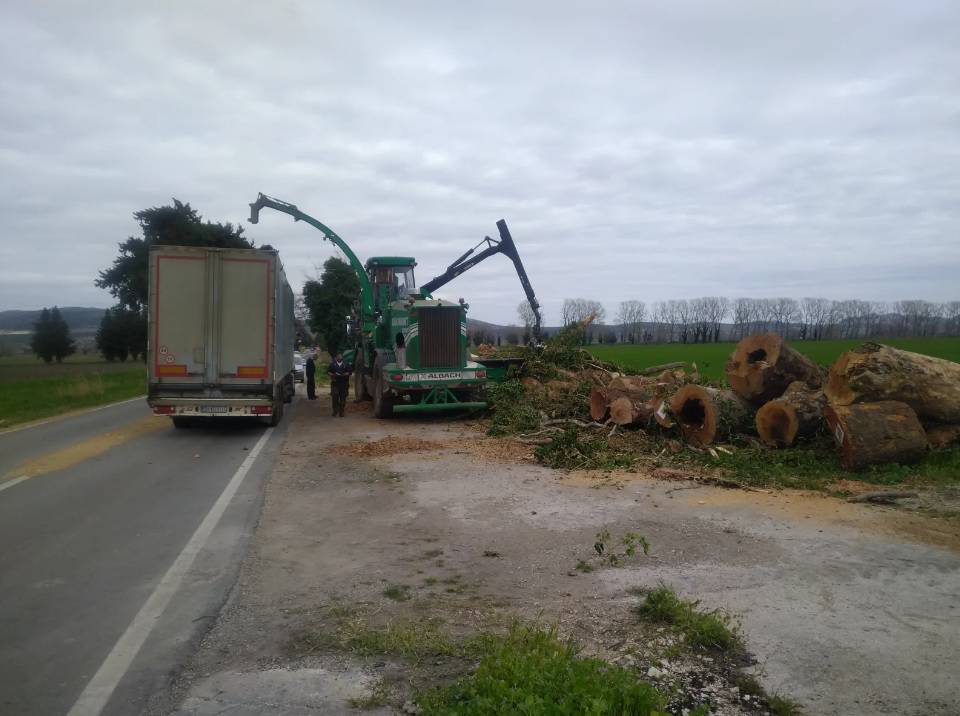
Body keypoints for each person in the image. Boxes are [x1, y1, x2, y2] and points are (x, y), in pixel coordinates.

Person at [328, 352, 353, 417]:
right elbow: (328, 372)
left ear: (342, 357)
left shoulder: (346, 364)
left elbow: (350, 372)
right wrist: (333, 375)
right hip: (335, 383)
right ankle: (335, 411)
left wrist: (344, 374)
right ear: (336, 358)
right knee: (335, 397)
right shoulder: (332, 364)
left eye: (341, 356)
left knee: (343, 399)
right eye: (338, 356)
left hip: (344, 383)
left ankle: (341, 412)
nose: (340, 357)